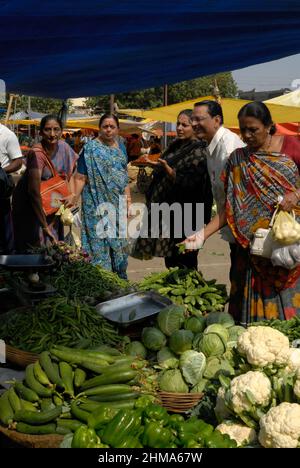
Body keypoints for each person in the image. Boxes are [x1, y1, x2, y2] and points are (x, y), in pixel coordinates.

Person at [183, 101, 300, 323]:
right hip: (251, 249)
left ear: (269, 126)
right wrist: (202, 235)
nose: (246, 136)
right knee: (248, 318)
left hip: (286, 247)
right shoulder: (237, 159)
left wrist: (295, 195)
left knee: (288, 315)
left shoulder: (292, 146)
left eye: (253, 129)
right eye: (242, 129)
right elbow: (230, 209)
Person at [132, 109, 213, 270]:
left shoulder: (200, 151)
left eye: (185, 125)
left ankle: (188, 292)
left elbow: (192, 183)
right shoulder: (176, 146)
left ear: (195, 127)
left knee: (186, 258)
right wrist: (158, 166)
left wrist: (170, 171)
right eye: (178, 123)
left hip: (188, 214)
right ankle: (173, 291)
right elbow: (168, 164)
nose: (180, 128)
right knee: (171, 258)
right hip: (168, 212)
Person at [72, 114, 131, 279]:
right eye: (105, 126)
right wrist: (73, 198)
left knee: (118, 243)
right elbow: (80, 177)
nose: (109, 130)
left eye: (112, 127)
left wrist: (128, 200)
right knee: (98, 240)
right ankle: (102, 279)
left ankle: (119, 279)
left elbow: (124, 176)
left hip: (116, 204)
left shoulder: (121, 148)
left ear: (118, 129)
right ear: (99, 128)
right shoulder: (90, 149)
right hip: (95, 203)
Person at [191, 100, 245, 279]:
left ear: (216, 120)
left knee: (242, 281)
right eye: (193, 119)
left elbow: (233, 203)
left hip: (245, 230)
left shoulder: (228, 150)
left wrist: (202, 234)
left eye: (199, 119)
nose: (193, 124)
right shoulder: (211, 147)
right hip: (233, 229)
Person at [12, 114, 78, 251]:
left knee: (53, 248)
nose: (52, 134)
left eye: (56, 129)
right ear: (41, 132)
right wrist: (44, 225)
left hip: (52, 204)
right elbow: (33, 192)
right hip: (31, 206)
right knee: (35, 247)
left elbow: (73, 171)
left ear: (61, 131)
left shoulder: (64, 148)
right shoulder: (37, 153)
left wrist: (71, 194)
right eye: (48, 130)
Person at [0, 123, 23, 253]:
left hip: (1, 188)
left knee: (4, 229)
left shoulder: (7, 135)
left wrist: (1, 171)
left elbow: (18, 162)